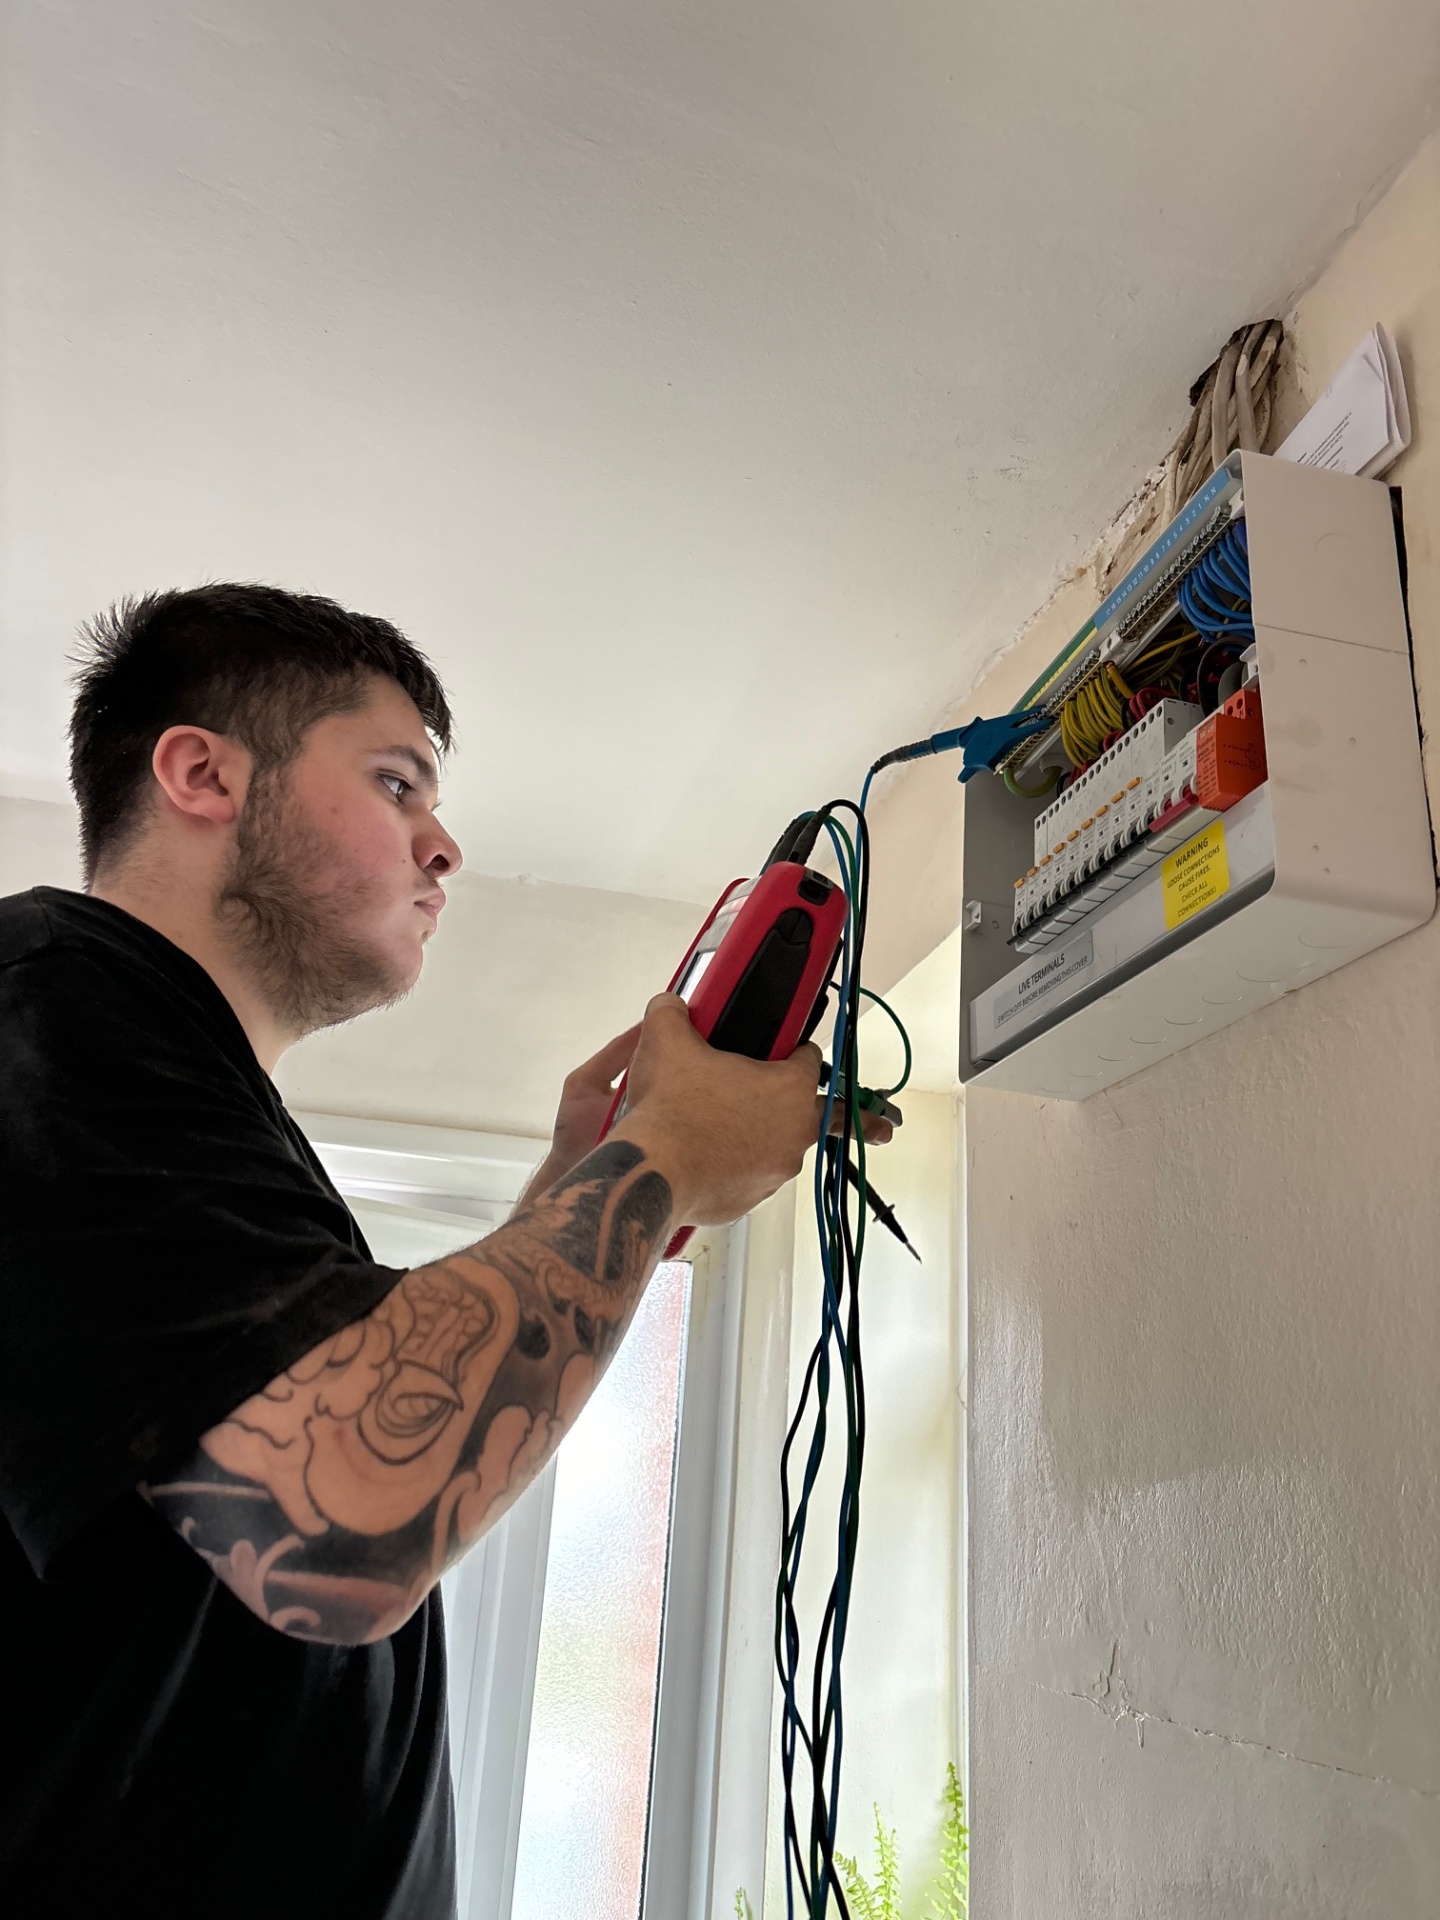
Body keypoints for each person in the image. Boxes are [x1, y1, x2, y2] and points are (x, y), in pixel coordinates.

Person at [0, 585, 866, 1918]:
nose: (443, 844)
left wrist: (577, 1189)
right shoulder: (50, 997)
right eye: (396, 780)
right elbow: (329, 1512)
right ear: (200, 771)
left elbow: (337, 1409)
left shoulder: (159, 1081)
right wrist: (665, 1163)